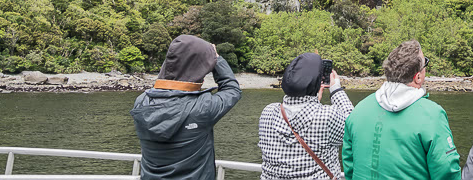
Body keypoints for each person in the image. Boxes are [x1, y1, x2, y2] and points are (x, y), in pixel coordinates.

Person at [341, 39, 460, 180]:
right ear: (418, 76)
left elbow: (349, 167)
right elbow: (446, 172)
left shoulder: (359, 110)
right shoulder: (433, 115)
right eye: (425, 62)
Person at [131, 34, 242, 180]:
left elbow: (165, 85)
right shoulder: (202, 107)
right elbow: (232, 89)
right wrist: (217, 58)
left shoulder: (142, 102)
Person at [259, 52, 353, 180]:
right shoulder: (327, 117)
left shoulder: (268, 112)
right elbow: (354, 125)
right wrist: (336, 89)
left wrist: (314, 100)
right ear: (317, 82)